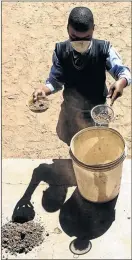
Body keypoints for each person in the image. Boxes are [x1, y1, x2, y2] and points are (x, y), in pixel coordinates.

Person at [33, 7, 131, 145]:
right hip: (71, 112)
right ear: (68, 29)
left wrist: (122, 81)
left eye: (86, 38)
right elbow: (55, 81)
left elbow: (123, 71)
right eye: (74, 38)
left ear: (93, 29)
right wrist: (43, 90)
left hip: (97, 113)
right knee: (75, 145)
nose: (80, 43)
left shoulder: (104, 49)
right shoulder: (61, 51)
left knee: (96, 146)